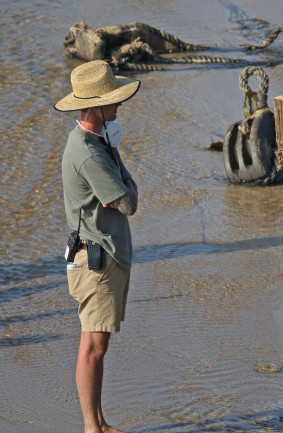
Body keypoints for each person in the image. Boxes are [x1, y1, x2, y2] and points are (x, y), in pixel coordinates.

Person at [55, 60, 140, 433]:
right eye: (113, 100)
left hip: (101, 256)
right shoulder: (90, 153)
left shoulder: (95, 142)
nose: (119, 106)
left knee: (95, 345)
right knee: (93, 347)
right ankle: (93, 427)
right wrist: (126, 178)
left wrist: (118, 168)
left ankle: (98, 423)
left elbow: (122, 197)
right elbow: (129, 203)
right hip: (96, 261)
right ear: (94, 107)